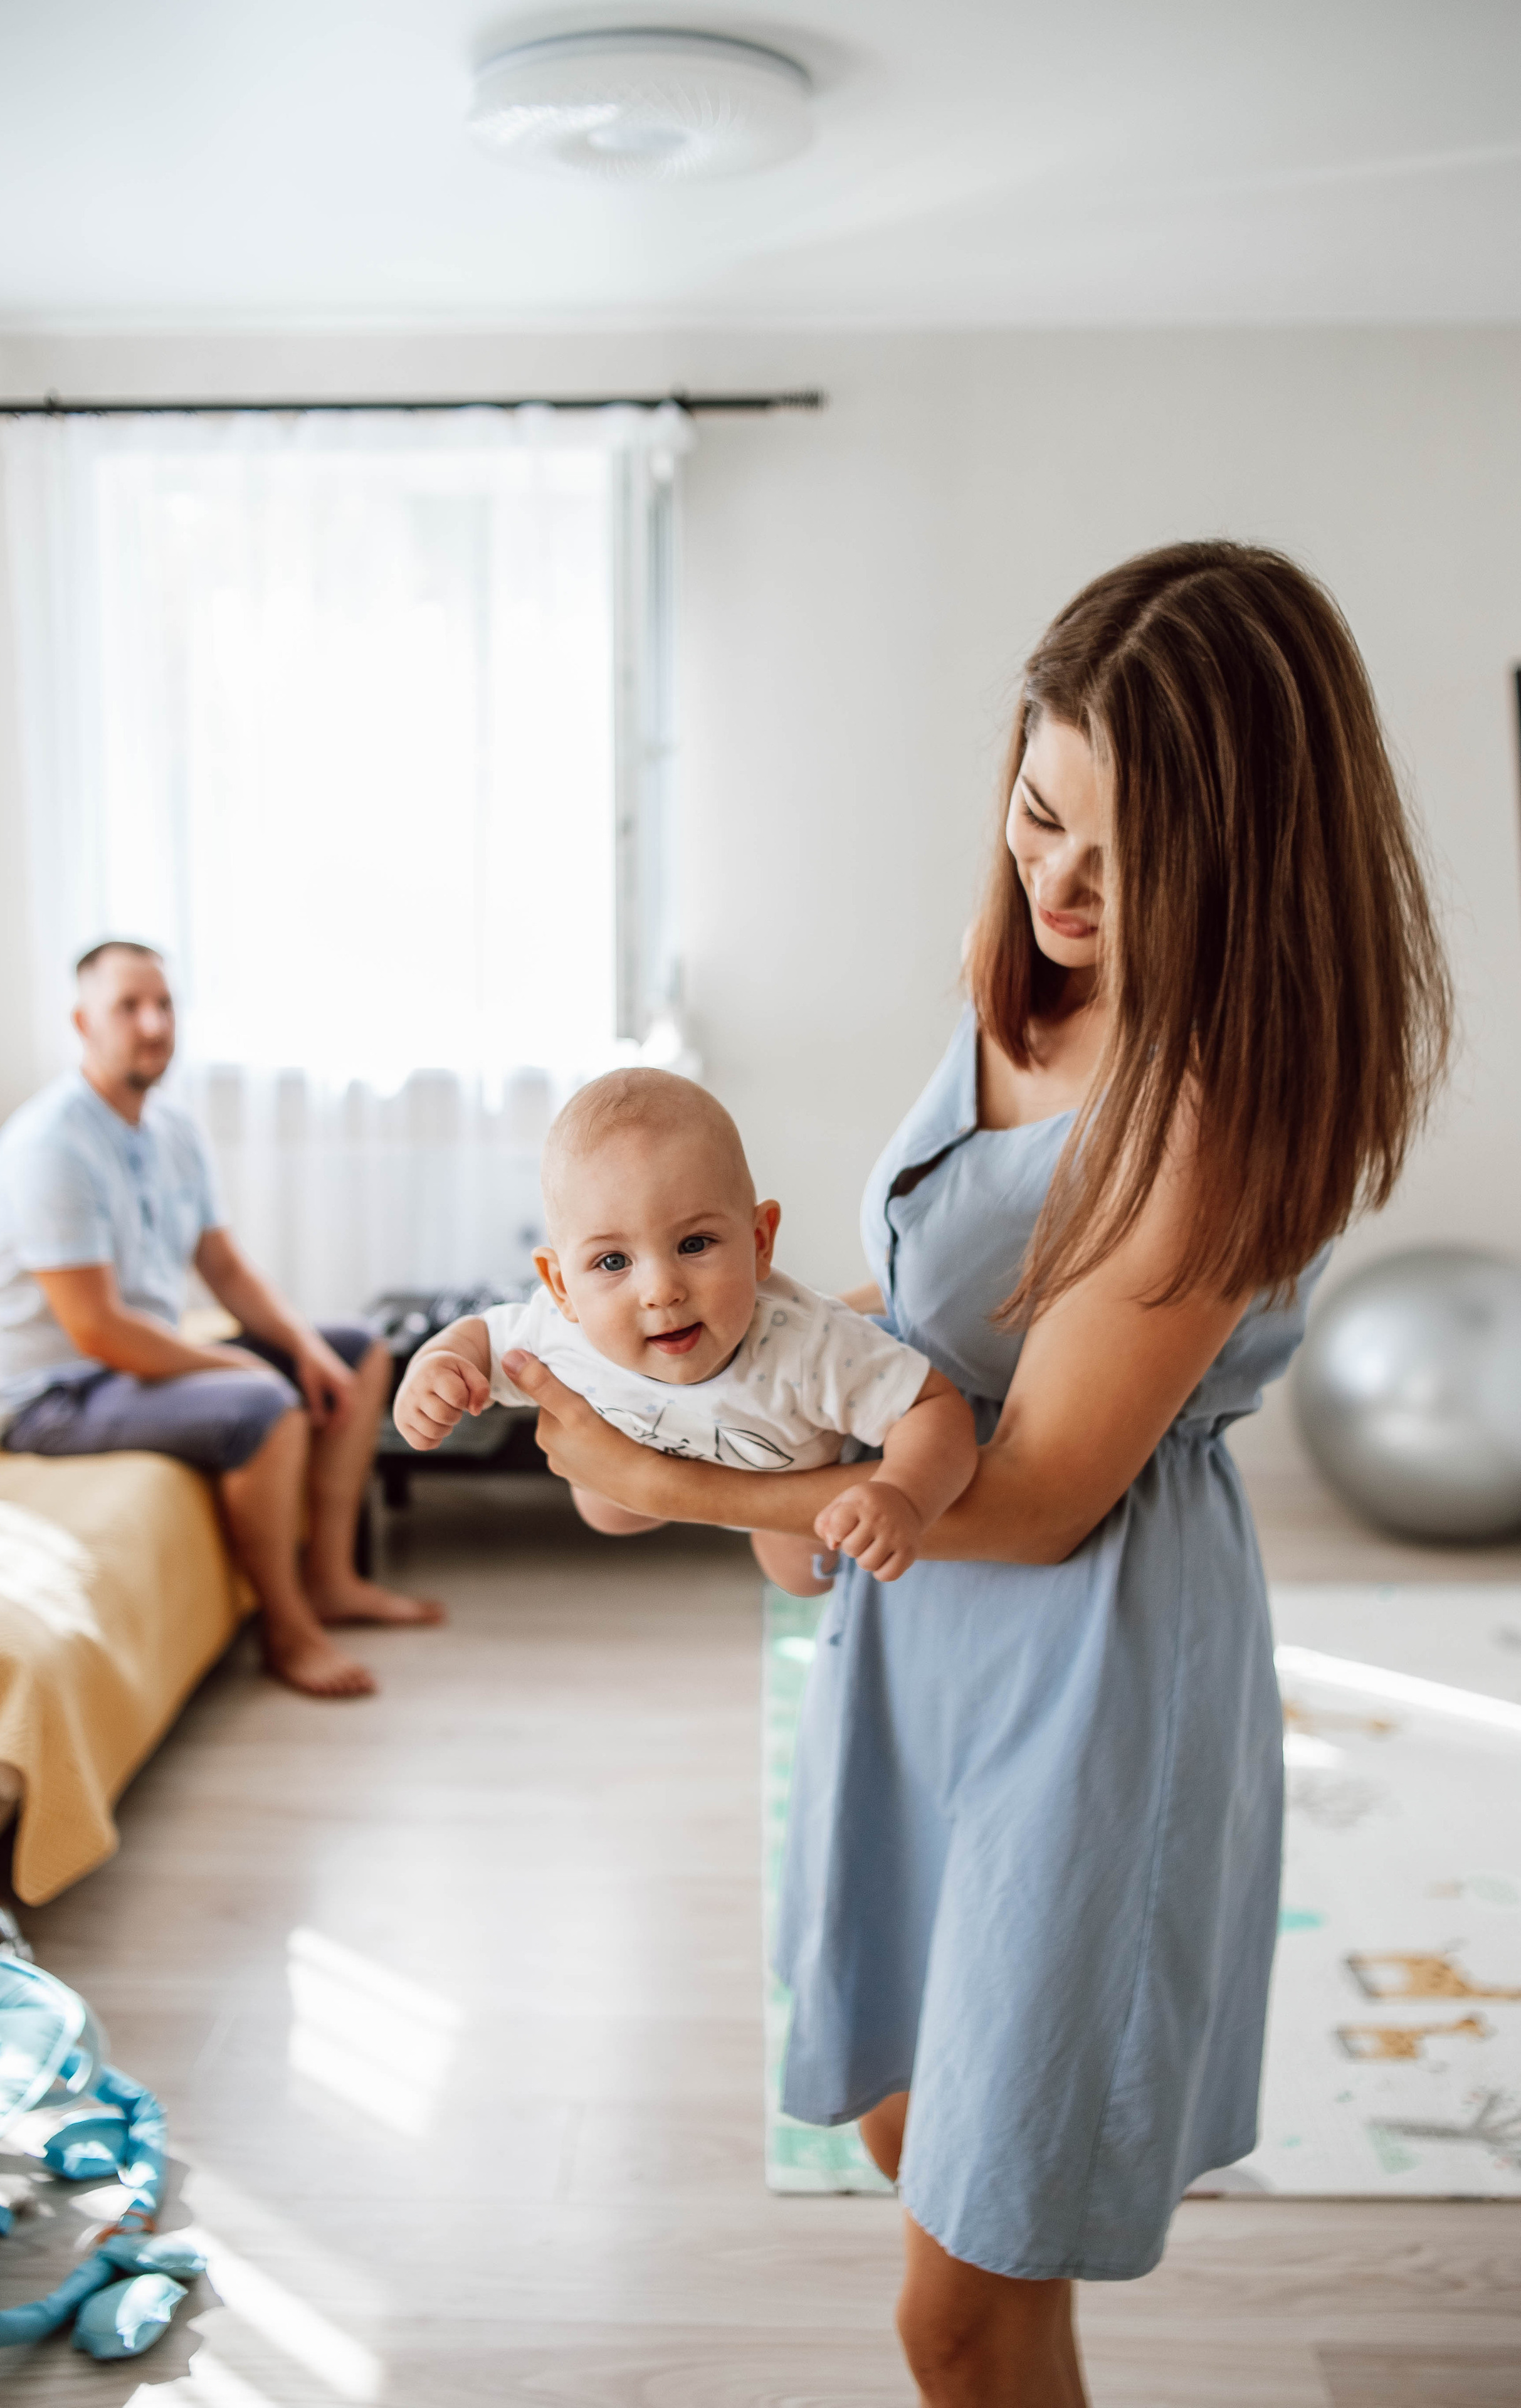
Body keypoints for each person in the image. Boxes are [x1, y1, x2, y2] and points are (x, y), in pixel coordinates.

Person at [494, 542, 1453, 2405]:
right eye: (1037, 814)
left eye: (1125, 850)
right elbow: (938, 1297)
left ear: (1243, 854)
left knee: (956, 2289)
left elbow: (1036, 1489)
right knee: (907, 2128)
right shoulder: (1013, 977)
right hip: (919, 1623)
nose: (1062, 883)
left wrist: (668, 1484)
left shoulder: (1210, 1111)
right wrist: (716, 1348)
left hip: (1075, 1650)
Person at [0, 941, 442, 1699]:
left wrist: (303, 1348)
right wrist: (249, 1369)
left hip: (132, 1365)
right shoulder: (51, 1145)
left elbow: (223, 1267)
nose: (154, 1023)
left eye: (164, 1004)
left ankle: (331, 1580)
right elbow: (96, 1331)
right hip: (56, 1395)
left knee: (357, 1354)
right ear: (82, 1021)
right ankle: (288, 1631)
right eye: (129, 1006)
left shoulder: (172, 1132)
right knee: (266, 1404)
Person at [391, 1067, 978, 1590]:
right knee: (609, 1511)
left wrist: (902, 1492)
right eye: (612, 1262)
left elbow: (931, 1406)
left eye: (694, 1244)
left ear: (759, 1242)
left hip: (791, 1478)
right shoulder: (559, 1331)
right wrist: (434, 1370)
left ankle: (778, 1530)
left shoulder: (811, 1347)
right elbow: (478, 1339)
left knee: (804, 1576)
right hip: (635, 1462)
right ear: (561, 1286)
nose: (660, 1291)